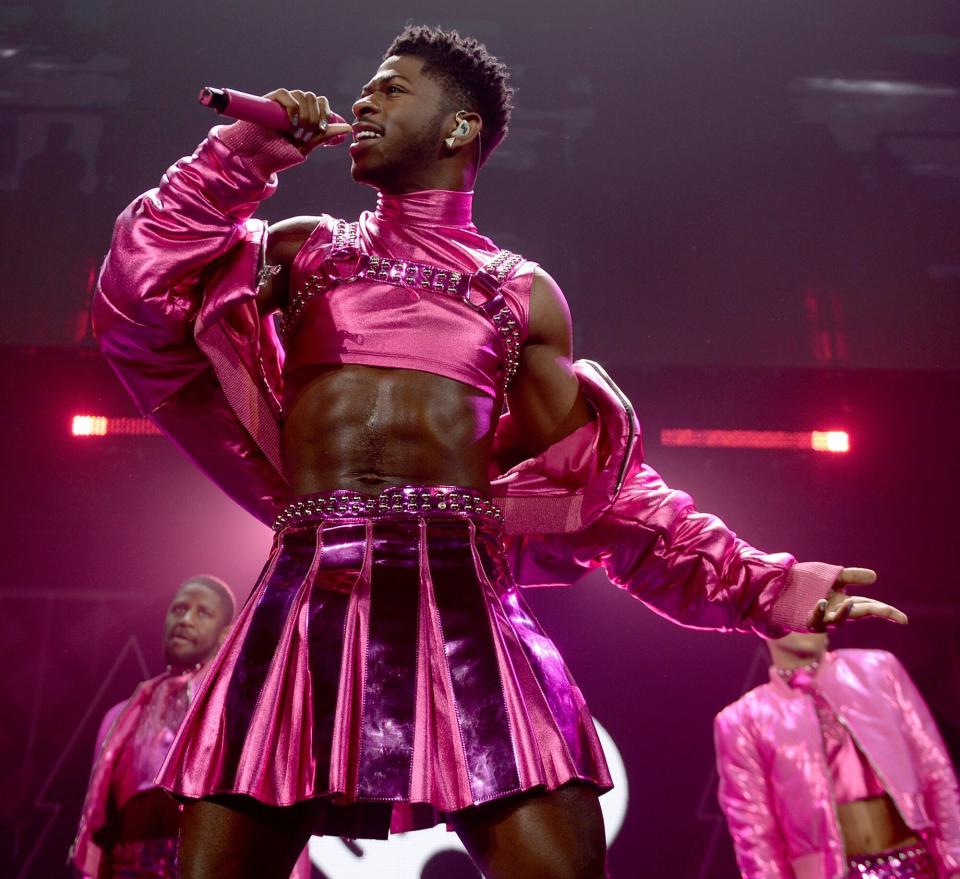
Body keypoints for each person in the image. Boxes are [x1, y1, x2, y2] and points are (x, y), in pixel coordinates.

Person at [92, 24, 907, 879]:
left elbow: (609, 491)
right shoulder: (305, 250)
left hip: (461, 609)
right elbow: (139, 289)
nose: (363, 100)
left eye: (392, 87)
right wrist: (243, 154)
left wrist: (764, 584)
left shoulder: (519, 291)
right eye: (365, 88)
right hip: (303, 595)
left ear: (459, 128)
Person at [714, 632, 960, 878]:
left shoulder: (879, 670)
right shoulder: (743, 720)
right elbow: (755, 833)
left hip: (916, 865)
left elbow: (936, 773)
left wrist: (955, 864)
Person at [71, 576, 235, 877]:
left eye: (203, 613)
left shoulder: (233, 711)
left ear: (226, 634)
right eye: (179, 609)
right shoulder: (120, 717)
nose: (185, 620)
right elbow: (100, 821)